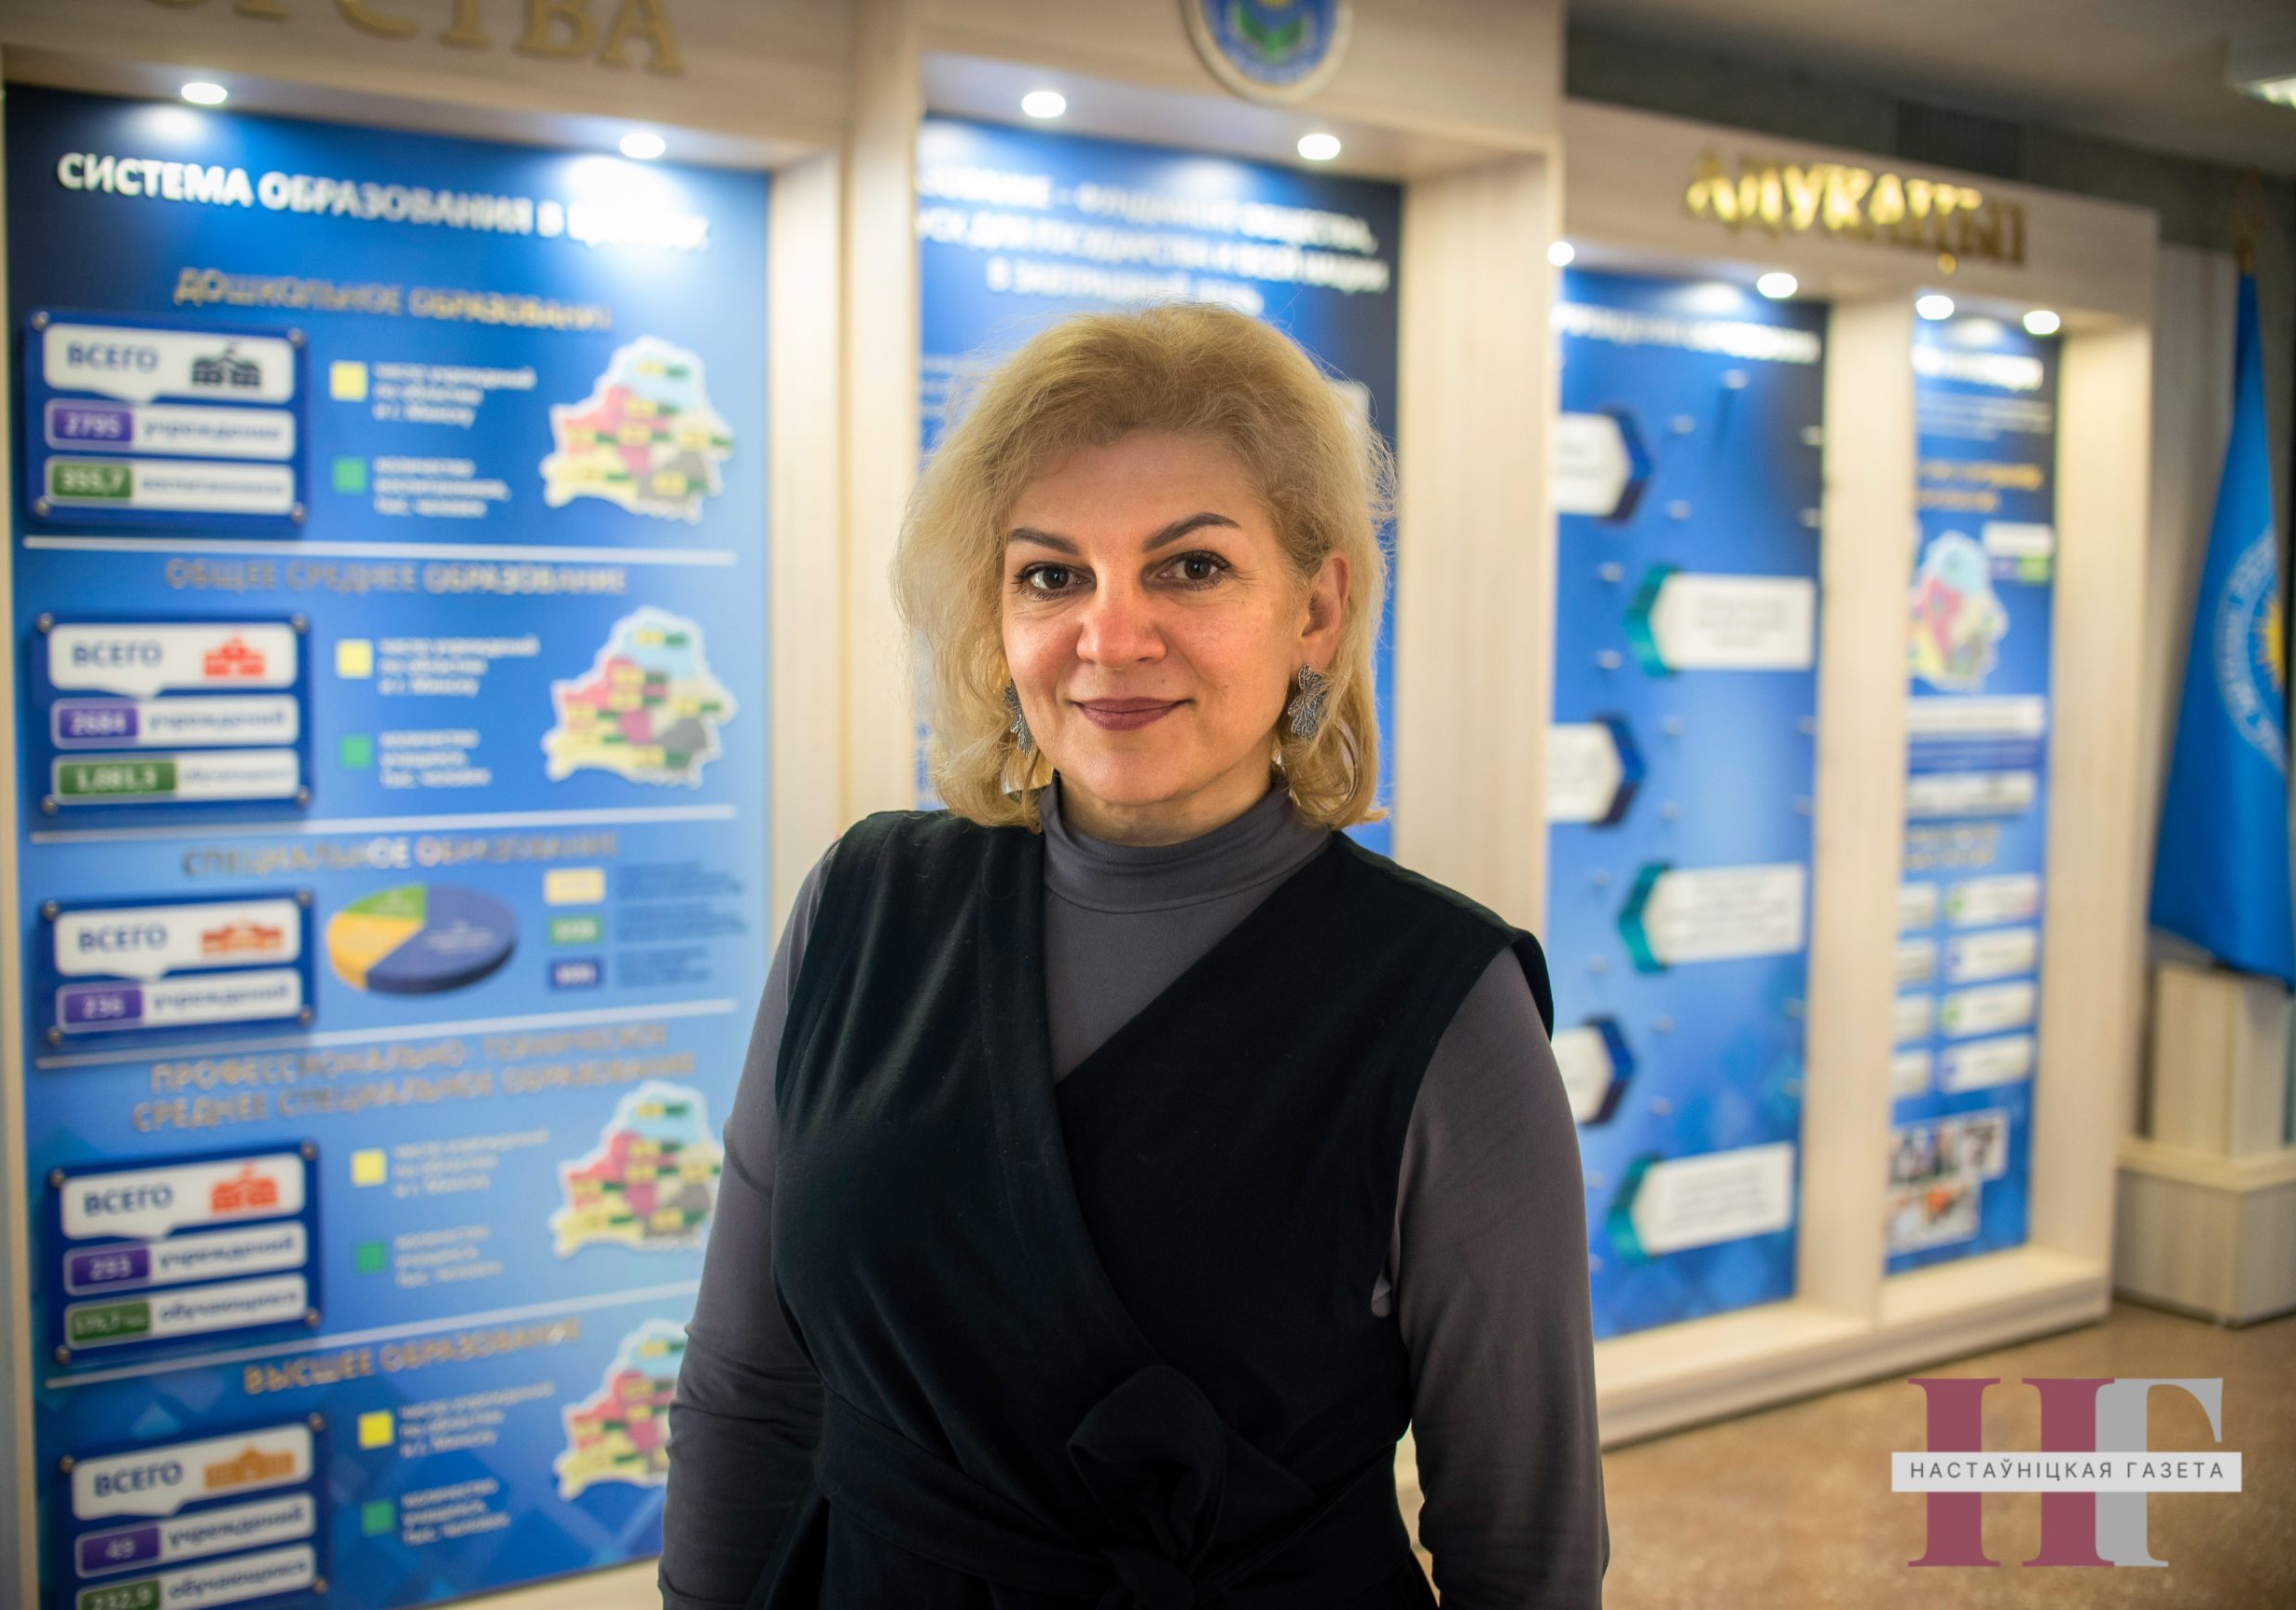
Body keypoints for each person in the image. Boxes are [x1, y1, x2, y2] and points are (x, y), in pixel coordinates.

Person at [660, 302, 1609, 1607]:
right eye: (1052, 576)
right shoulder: (863, 906)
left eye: (1191, 568)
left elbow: (1522, 1544)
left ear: (1317, 609)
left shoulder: (1444, 1002)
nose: (1111, 639)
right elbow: (748, 1388)